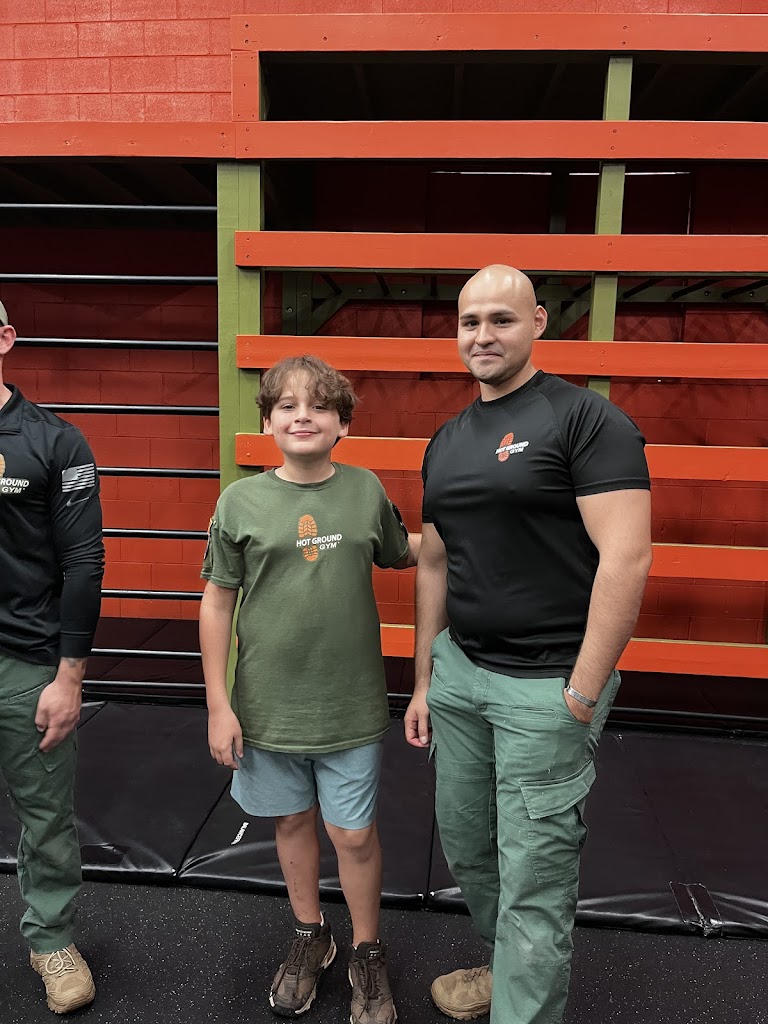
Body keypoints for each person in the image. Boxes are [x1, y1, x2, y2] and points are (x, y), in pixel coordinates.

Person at [404, 266, 652, 1024]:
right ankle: (504, 968)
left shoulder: (586, 420)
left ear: (538, 322)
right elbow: (435, 561)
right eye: (469, 321)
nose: (482, 335)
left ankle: (524, 1004)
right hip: (461, 677)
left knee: (535, 876)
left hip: (546, 686)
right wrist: (425, 680)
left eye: (501, 320)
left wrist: (581, 690)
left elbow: (626, 557)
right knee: (470, 850)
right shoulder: (447, 440)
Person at [199, 354, 419, 1024]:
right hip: (267, 708)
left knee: (352, 835)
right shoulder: (239, 502)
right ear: (267, 422)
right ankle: (310, 934)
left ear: (342, 425)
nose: (303, 416)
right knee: (292, 822)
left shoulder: (365, 490)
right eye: (287, 406)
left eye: (320, 406)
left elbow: (405, 552)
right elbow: (217, 603)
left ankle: (367, 950)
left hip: (349, 705)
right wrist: (218, 704)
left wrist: (473, 529)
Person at [0, 300, 104, 1014]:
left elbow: (84, 563)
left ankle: (52, 939)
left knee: (45, 817)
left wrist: (70, 676)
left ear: (5, 339)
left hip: (26, 661)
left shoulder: (55, 442)